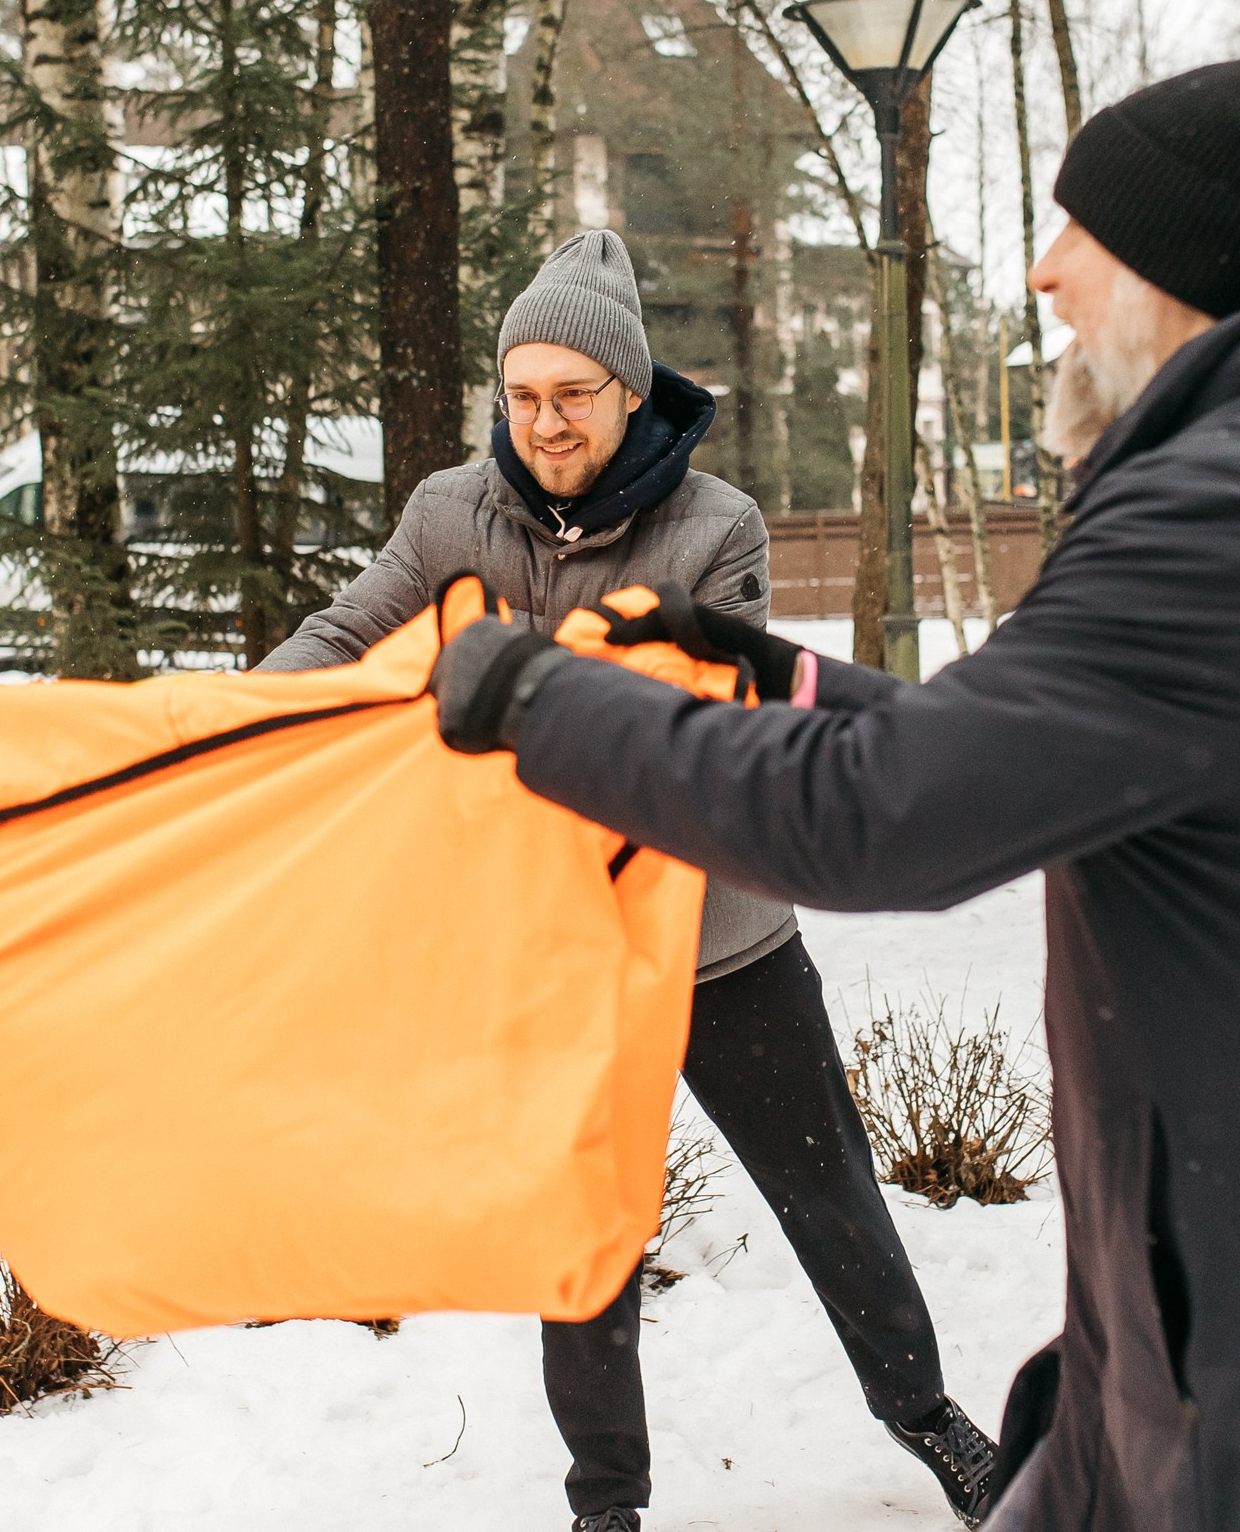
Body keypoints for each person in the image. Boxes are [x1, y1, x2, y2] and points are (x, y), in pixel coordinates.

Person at [428, 57, 1240, 1531]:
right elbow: (1025, 742)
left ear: (1177, 269)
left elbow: (889, 818)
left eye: (1080, 234)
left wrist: (528, 699)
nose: (1045, 273)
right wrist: (770, 673)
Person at [257, 231, 999, 1532]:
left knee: (825, 1192)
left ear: (629, 394)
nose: (543, 423)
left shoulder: (715, 530)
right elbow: (346, 631)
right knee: (584, 1242)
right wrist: (220, 721)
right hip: (552, 949)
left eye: (572, 396)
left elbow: (715, 707)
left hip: (719, 941)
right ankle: (607, 1506)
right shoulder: (450, 513)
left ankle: (933, 1424)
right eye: (522, 395)